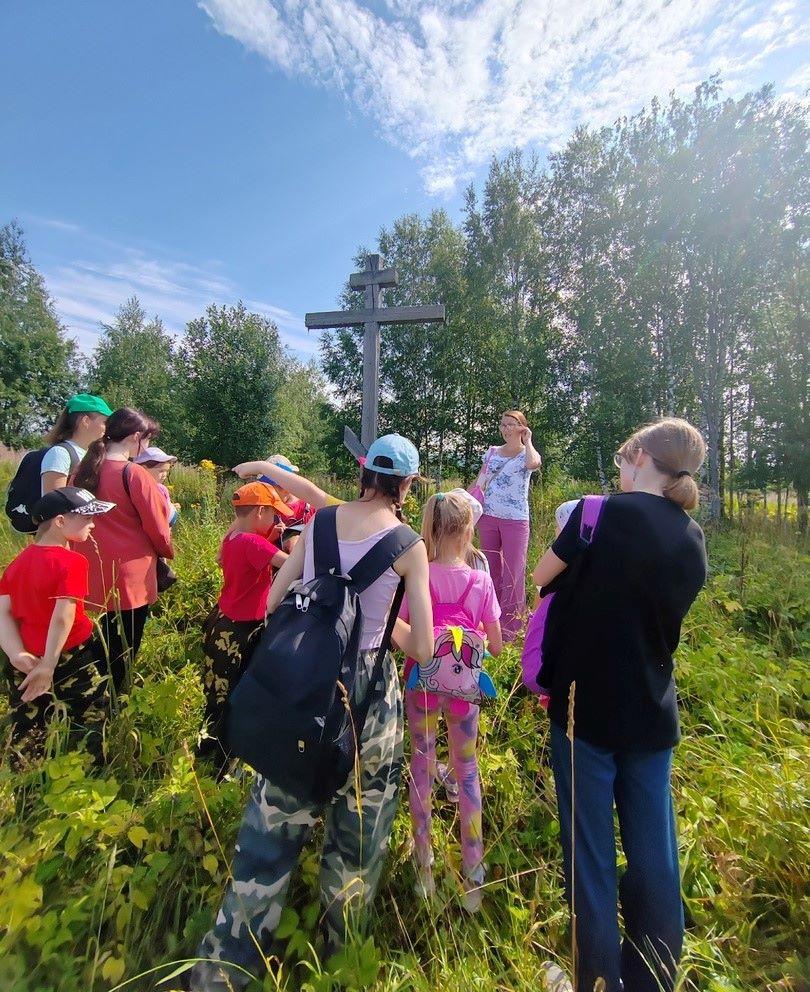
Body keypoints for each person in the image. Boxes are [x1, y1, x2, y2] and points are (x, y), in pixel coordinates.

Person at [190, 434, 433, 992]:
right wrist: (372, 624)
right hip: (367, 701)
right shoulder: (407, 545)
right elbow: (420, 647)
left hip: (301, 692)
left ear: (363, 472)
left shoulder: (319, 525)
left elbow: (275, 601)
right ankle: (337, 967)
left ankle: (224, 970)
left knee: (270, 829)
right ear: (409, 484)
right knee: (358, 834)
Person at [531, 418, 708, 992]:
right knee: (654, 851)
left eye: (623, 456)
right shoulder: (691, 538)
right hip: (652, 711)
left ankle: (596, 980)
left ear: (637, 456)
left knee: (590, 854)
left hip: (586, 708)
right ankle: (654, 976)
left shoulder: (595, 513)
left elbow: (540, 578)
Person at [400, 491, 502, 911]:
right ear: (467, 530)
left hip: (421, 682)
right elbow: (495, 646)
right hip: (464, 689)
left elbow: (401, 627)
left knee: (422, 763)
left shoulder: (418, 578)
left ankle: (423, 867)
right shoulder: (481, 580)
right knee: (467, 770)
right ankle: (473, 878)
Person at [0, 487, 115, 762]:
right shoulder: (72, 561)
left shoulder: (17, 563)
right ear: (60, 521)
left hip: (26, 659)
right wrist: (49, 665)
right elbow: (63, 614)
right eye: (86, 518)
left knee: (27, 724)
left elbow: (3, 612)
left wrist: (16, 654)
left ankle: (27, 790)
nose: (93, 524)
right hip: (71, 656)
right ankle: (86, 779)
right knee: (90, 717)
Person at [73, 408, 173, 693]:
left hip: (90, 572)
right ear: (136, 437)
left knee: (95, 638)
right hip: (131, 578)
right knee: (124, 648)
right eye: (149, 440)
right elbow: (159, 528)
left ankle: (86, 691)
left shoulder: (82, 471)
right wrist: (166, 552)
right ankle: (113, 701)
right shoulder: (134, 474)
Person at [197, 481, 292, 777]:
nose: (276, 521)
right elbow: (292, 565)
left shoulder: (233, 538)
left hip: (221, 622)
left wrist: (269, 536)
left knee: (217, 691)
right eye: (273, 515)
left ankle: (205, 747)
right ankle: (225, 766)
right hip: (243, 632)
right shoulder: (254, 544)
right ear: (260, 512)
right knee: (239, 697)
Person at [472, 410, 541, 640]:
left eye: (511, 424)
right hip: (488, 517)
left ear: (522, 428)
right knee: (491, 569)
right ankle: (491, 620)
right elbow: (481, 480)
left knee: (514, 572)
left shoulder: (527, 453)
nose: (505, 428)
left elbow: (533, 464)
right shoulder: (492, 452)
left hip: (515, 520)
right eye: (503, 424)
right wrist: (466, 499)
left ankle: (511, 628)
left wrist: (528, 440)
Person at [40, 393, 113, 495]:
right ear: (86, 421)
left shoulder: (91, 453)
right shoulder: (60, 454)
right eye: (104, 422)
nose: (107, 427)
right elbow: (53, 506)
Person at [133, 446, 180, 526]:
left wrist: (172, 507)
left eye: (167, 471)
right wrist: (173, 511)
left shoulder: (161, 488)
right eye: (161, 471)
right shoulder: (146, 489)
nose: (165, 475)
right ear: (143, 469)